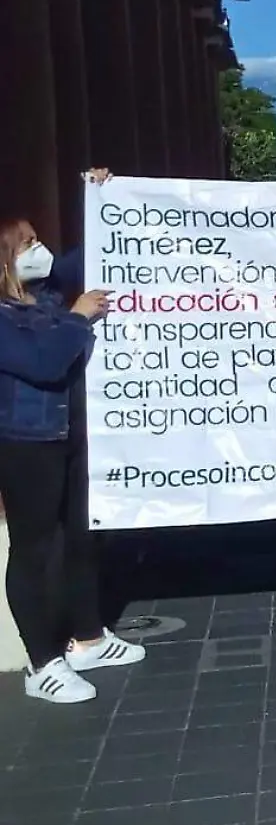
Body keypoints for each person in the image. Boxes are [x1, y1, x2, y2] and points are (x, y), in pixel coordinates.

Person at [0, 210, 146, 704]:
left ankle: (88, 637)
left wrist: (105, 197)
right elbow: (43, 362)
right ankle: (42, 663)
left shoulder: (45, 296)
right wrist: (79, 317)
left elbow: (96, 251)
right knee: (35, 549)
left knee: (81, 536)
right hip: (26, 442)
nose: (39, 252)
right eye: (27, 246)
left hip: (71, 434)